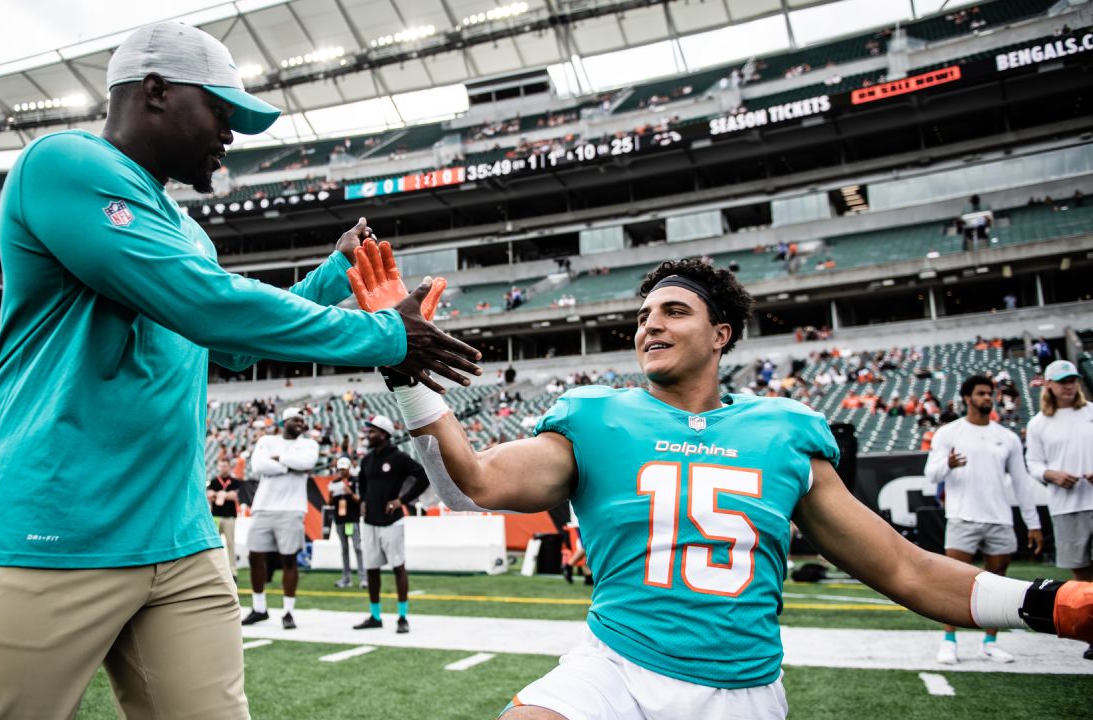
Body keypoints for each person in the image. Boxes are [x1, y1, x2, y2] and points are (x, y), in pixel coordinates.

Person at [0, 22, 480, 720]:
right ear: (155, 91)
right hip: (47, 532)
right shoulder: (62, 163)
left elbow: (229, 344)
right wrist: (384, 336)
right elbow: (203, 304)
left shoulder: (182, 229)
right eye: (221, 112)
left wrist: (332, 273)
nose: (231, 135)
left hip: (178, 540)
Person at [347, 247, 1093, 720]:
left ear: (721, 335)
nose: (649, 326)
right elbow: (471, 482)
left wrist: (1049, 605)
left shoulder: (784, 430)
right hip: (615, 669)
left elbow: (903, 567)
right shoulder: (595, 418)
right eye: (642, 316)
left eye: (673, 311)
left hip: (741, 691)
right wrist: (404, 370)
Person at [924, 374, 1043, 665]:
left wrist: (1034, 523)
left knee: (998, 584)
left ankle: (990, 642)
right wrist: (947, 465)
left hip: (999, 518)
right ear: (967, 398)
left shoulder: (1008, 437)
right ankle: (949, 640)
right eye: (981, 393)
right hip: (962, 516)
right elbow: (931, 475)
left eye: (990, 393)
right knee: (951, 582)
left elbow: (1021, 482)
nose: (987, 398)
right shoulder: (948, 433)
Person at [1025, 360, 1093, 660]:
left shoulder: (1091, 412)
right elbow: (1034, 464)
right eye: (1063, 381)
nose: (1069, 385)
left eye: (1073, 380)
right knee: (1080, 571)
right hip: (1066, 505)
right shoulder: (1038, 423)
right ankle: (1091, 632)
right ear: (1049, 385)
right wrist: (1052, 475)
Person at [353, 414, 429, 634]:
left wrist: (402, 500)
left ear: (384, 434)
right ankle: (375, 616)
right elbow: (362, 482)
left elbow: (423, 476)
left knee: (398, 568)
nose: (368, 435)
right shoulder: (367, 459)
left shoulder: (399, 457)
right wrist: (363, 501)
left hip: (392, 523)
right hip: (370, 523)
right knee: (372, 570)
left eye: (373, 431)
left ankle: (402, 617)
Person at [243, 408, 318, 630]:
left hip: (292, 508)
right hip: (263, 506)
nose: (300, 423)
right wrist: (289, 465)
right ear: (284, 421)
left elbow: (308, 463)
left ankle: (288, 612)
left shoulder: (309, 444)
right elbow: (258, 466)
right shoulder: (266, 440)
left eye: (302, 420)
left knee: (289, 560)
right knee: (255, 556)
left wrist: (279, 460)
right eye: (296, 419)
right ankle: (259, 608)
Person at [328, 456, 364, 589]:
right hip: (339, 519)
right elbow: (330, 503)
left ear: (348, 468)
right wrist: (331, 496)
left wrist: (349, 492)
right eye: (340, 469)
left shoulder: (355, 481)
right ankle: (346, 578)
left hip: (352, 519)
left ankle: (363, 578)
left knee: (357, 548)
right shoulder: (334, 482)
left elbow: (360, 500)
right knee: (344, 549)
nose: (341, 472)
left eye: (343, 469)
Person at [207, 460, 240, 573]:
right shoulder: (214, 481)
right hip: (216, 516)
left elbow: (234, 496)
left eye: (225, 466)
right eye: (221, 466)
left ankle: (232, 569)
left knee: (230, 543)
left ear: (229, 467)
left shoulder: (234, 481)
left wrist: (220, 495)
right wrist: (223, 495)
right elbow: (209, 495)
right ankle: (213, 568)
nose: (223, 468)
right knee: (214, 543)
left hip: (229, 516)